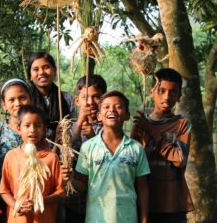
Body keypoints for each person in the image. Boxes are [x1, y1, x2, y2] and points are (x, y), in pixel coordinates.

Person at [72, 91, 150, 223]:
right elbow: (82, 186)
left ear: (127, 115)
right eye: (106, 107)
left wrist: (144, 220)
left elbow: (142, 189)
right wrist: (68, 179)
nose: (112, 110)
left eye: (119, 107)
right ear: (99, 115)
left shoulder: (136, 148)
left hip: (128, 218)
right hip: (96, 218)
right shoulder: (88, 147)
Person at [131, 68, 193, 223]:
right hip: (145, 201)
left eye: (172, 92)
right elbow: (132, 162)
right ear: (152, 92)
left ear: (179, 96)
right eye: (161, 90)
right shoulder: (140, 124)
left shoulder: (181, 124)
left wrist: (152, 131)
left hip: (172, 203)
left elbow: (179, 159)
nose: (166, 97)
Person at [0, 105, 67, 223]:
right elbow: (4, 190)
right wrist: (16, 205)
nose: (32, 130)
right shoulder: (11, 156)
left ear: (44, 129)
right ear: (19, 129)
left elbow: (60, 191)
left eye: (37, 125)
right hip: (17, 219)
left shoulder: (51, 158)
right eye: (27, 125)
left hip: (43, 218)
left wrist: (39, 202)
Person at [63, 74, 107, 223]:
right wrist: (80, 121)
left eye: (96, 97)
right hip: (74, 200)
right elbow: (67, 150)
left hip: (100, 197)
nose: (90, 102)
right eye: (85, 97)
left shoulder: (107, 127)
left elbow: (105, 156)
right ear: (77, 101)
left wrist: (93, 136)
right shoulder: (68, 127)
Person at [0, 78, 31, 179]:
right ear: (4, 105)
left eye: (22, 98)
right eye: (11, 100)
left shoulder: (38, 127)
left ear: (31, 99)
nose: (17, 103)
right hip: (5, 190)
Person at [28, 51, 74, 142]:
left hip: (62, 149)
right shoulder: (27, 99)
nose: (41, 72)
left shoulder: (66, 98)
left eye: (46, 67)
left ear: (55, 71)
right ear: (30, 75)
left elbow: (72, 129)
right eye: (36, 69)